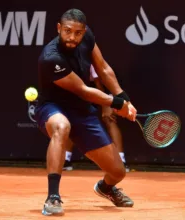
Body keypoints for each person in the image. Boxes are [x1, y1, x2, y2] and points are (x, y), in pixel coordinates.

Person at [35, 8, 137, 216]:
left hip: (82, 111)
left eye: (78, 33)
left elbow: (103, 68)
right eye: (67, 31)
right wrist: (117, 104)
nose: (72, 37)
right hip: (53, 107)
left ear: (84, 31)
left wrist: (125, 98)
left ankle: (106, 188)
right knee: (61, 127)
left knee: (118, 172)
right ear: (59, 28)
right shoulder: (51, 58)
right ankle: (53, 197)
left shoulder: (87, 37)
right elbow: (83, 90)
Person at [63, 65, 130, 172]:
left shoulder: (88, 56)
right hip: (84, 87)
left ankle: (121, 160)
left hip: (104, 86)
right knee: (73, 119)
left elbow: (99, 82)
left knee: (109, 119)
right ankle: (65, 159)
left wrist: (105, 106)